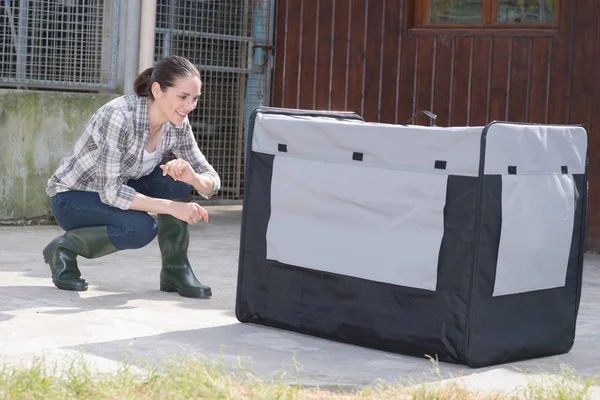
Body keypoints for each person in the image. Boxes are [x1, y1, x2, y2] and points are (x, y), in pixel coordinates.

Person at [43, 55, 220, 299]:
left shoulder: (179, 122)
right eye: (182, 97)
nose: (189, 106)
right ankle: (63, 247)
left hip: (118, 188)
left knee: (174, 181)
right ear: (157, 90)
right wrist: (172, 208)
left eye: (195, 99)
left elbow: (210, 177)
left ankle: (175, 272)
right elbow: (110, 192)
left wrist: (193, 178)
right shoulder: (119, 115)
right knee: (139, 228)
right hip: (74, 199)